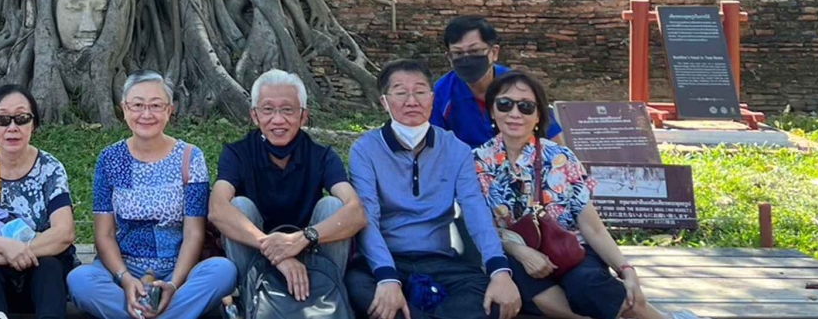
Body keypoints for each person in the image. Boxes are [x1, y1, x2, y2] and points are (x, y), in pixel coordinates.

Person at [474, 70, 696, 319]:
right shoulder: (477, 162)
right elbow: (483, 228)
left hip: (570, 248)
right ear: (493, 111)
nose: (514, 114)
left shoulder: (560, 158)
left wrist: (626, 269)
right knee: (515, 272)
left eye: (525, 107)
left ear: (538, 116)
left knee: (587, 284)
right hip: (518, 252)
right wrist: (520, 251)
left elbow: (592, 227)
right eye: (505, 104)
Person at [347, 60, 522, 319]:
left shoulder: (456, 150)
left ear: (432, 98)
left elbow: (475, 210)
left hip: (440, 261)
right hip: (387, 260)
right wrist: (386, 277)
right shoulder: (364, 151)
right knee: (359, 288)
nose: (411, 100)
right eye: (400, 92)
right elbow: (367, 217)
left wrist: (499, 270)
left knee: (492, 296)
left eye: (419, 91)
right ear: (385, 102)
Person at [68, 72, 237, 319]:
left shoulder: (190, 157)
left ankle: (144, 312)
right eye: (137, 105)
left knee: (223, 271)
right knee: (80, 280)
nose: (146, 114)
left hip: (178, 269)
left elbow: (194, 233)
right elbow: (103, 234)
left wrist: (173, 284)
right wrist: (125, 280)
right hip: (123, 268)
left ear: (169, 110)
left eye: (156, 106)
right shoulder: (111, 159)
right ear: (124, 109)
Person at [208, 69, 366, 300]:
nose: (278, 119)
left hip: (311, 249)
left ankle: (327, 296)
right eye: (268, 110)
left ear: (303, 116)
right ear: (255, 115)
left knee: (334, 205)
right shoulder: (238, 153)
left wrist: (302, 239)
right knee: (239, 205)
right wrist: (276, 250)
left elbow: (356, 212)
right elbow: (217, 209)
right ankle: (248, 299)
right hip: (256, 252)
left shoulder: (322, 156)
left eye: (288, 110)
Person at [0, 84, 77, 319]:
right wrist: (4, 247)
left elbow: (64, 232)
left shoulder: (50, 168)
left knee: (50, 266)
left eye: (21, 118)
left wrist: (13, 253)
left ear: (33, 124)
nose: (12, 127)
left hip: (42, 266)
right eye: (2, 119)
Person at [432, 16, 561, 149]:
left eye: (475, 51)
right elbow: (436, 148)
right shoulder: (442, 94)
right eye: (458, 53)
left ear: (494, 52)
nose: (467, 59)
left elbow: (554, 141)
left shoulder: (519, 87)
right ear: (449, 58)